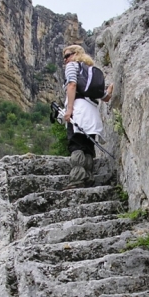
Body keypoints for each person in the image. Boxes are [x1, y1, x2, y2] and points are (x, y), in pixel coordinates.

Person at [61, 45, 113, 190]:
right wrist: (109, 90)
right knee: (88, 147)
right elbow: (105, 97)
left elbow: (72, 85)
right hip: (92, 113)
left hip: (78, 110)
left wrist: (69, 109)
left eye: (67, 56)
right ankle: (88, 178)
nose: (65, 60)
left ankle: (77, 179)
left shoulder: (72, 66)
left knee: (76, 145)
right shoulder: (90, 71)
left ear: (76, 54)